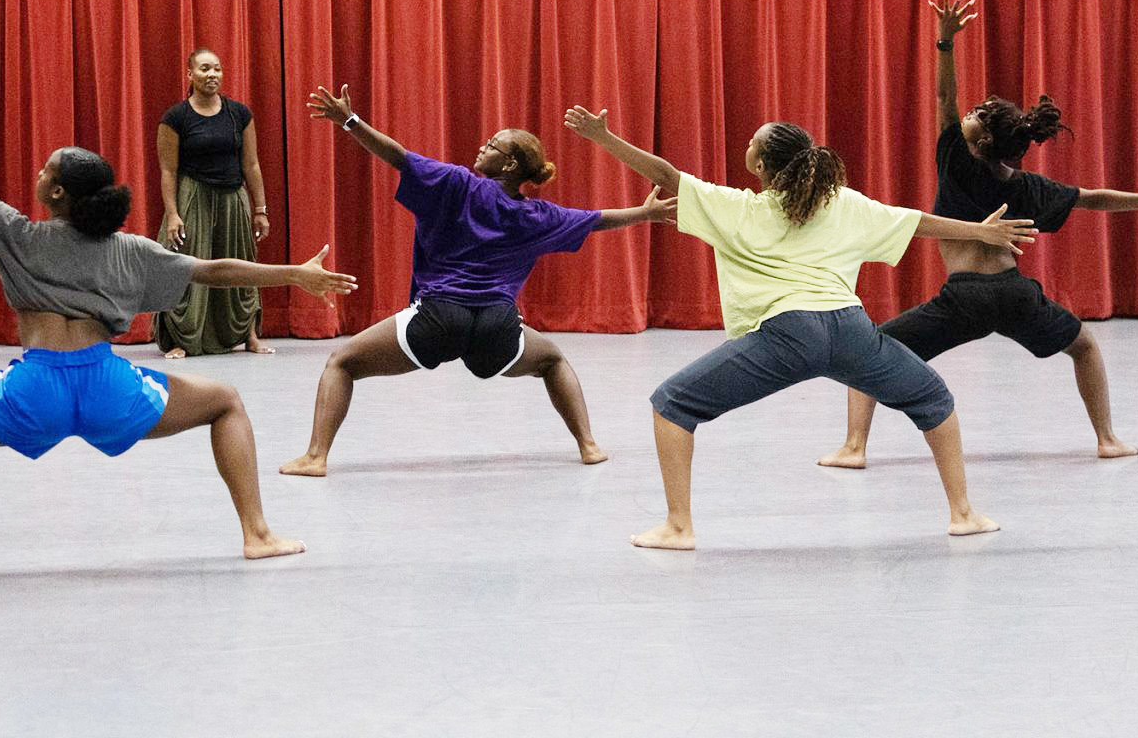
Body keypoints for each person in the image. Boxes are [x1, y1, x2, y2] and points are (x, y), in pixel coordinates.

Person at [0, 55, 357, 578]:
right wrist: (294, 273)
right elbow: (213, 270)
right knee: (225, 403)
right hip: (109, 387)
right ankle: (259, 535)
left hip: (33, 392)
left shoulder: (16, 235)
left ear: (57, 192)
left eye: (46, 169)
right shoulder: (127, 250)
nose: (39, 172)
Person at [564, 105, 1038, 549]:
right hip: (850, 331)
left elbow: (666, 176)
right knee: (934, 400)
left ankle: (678, 526)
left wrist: (605, 139)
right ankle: (963, 514)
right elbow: (914, 223)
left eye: (753, 142)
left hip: (786, 335)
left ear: (761, 165)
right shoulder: (844, 204)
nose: (747, 144)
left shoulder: (737, 207)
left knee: (672, 404)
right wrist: (980, 231)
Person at [818, 0, 1138, 470]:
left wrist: (945, 42)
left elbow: (944, 99)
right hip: (1013, 292)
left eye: (975, 114)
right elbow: (1091, 197)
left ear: (980, 142)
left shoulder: (957, 162)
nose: (967, 113)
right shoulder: (1026, 186)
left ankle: (854, 448)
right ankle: (1107, 439)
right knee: (1083, 345)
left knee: (871, 350)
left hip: (965, 298)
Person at [278, 84, 678, 478]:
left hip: (438, 317)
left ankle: (315, 457)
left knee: (342, 363)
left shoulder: (455, 183)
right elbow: (597, 220)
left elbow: (397, 156)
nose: (482, 147)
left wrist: (349, 120)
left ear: (509, 165)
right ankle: (589, 446)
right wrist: (645, 214)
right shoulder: (537, 215)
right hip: (497, 325)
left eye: (492, 145)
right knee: (553, 361)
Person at [155, 48, 275, 357]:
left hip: (233, 200)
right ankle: (182, 339)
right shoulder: (175, 118)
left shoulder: (239, 114)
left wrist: (259, 209)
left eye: (218, 69)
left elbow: (252, 165)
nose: (212, 75)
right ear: (190, 75)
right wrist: (173, 214)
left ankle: (249, 335)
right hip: (193, 198)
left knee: (242, 266)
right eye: (205, 69)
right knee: (188, 266)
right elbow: (168, 170)